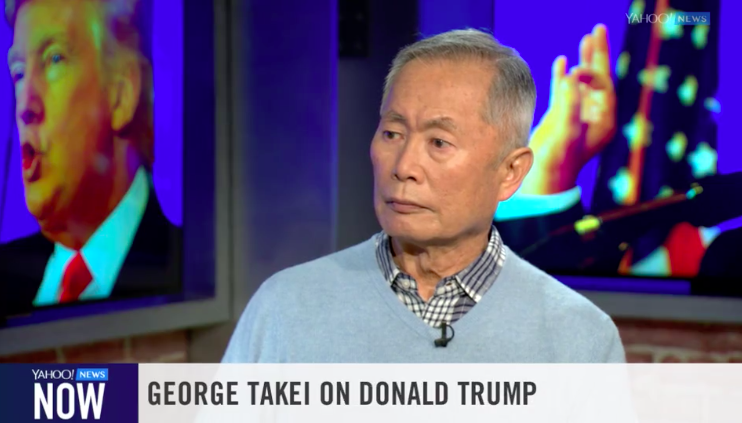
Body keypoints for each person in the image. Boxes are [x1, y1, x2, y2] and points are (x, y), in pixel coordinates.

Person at [222, 29, 625, 363]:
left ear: (511, 172)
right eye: (392, 134)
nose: (403, 166)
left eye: (439, 142)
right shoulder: (285, 307)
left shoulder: (579, 337)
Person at [0, 0, 179, 319]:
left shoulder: (183, 269)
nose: (25, 106)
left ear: (122, 95)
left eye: (54, 59)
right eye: (18, 73)